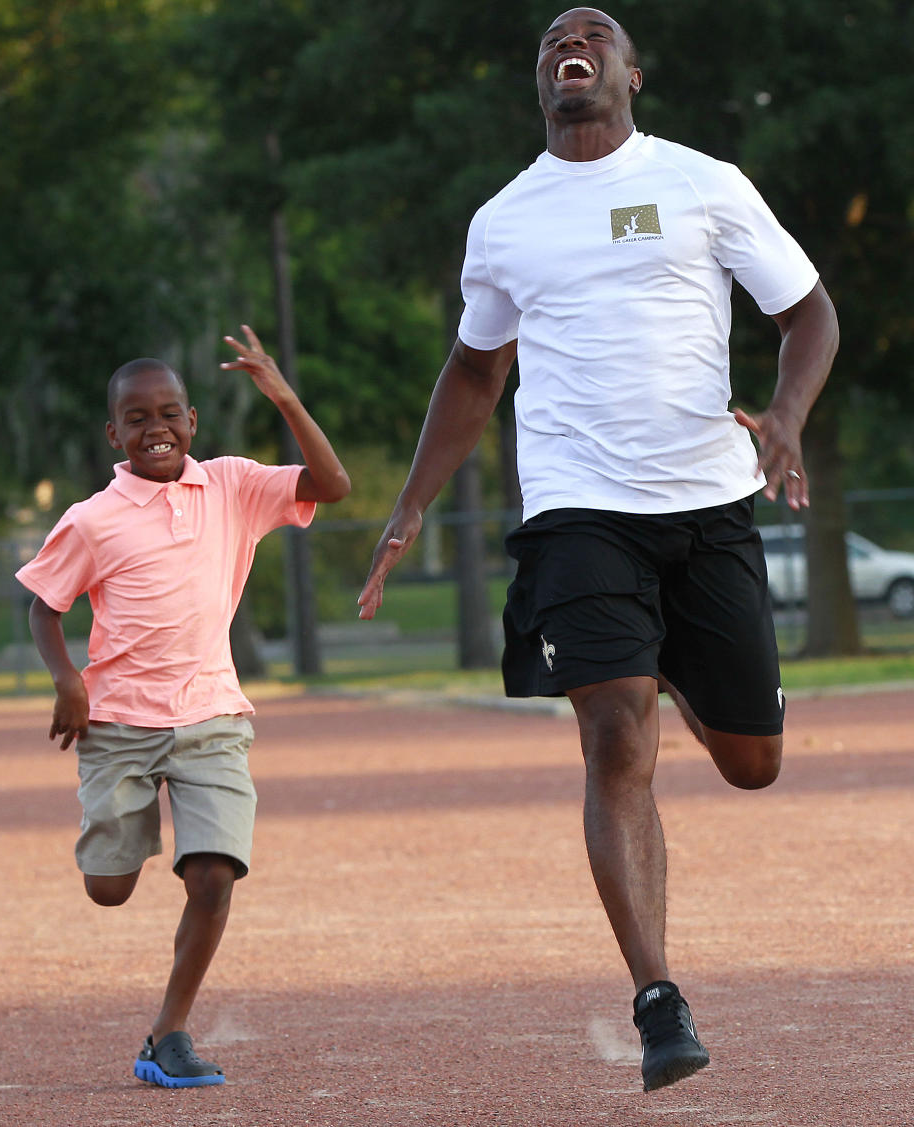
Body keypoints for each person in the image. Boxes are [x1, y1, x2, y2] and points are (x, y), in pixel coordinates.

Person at [358, 7, 838, 1093]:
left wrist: (789, 415)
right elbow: (476, 372)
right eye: (551, 41)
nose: (569, 45)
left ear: (630, 73)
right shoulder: (506, 220)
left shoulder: (704, 182)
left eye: (593, 36)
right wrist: (410, 503)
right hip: (578, 506)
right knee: (617, 739)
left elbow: (809, 312)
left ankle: (668, 653)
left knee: (753, 764)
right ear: (544, 81)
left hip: (708, 504)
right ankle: (659, 997)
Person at [17, 326, 350, 1088]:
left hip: (211, 716)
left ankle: (167, 1033)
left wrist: (285, 398)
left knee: (213, 875)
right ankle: (119, 843)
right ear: (114, 432)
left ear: (193, 420)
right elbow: (42, 603)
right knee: (110, 887)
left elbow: (330, 487)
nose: (155, 427)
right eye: (136, 417)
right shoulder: (93, 516)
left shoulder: (232, 485)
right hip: (118, 724)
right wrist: (69, 680)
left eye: (169, 413)